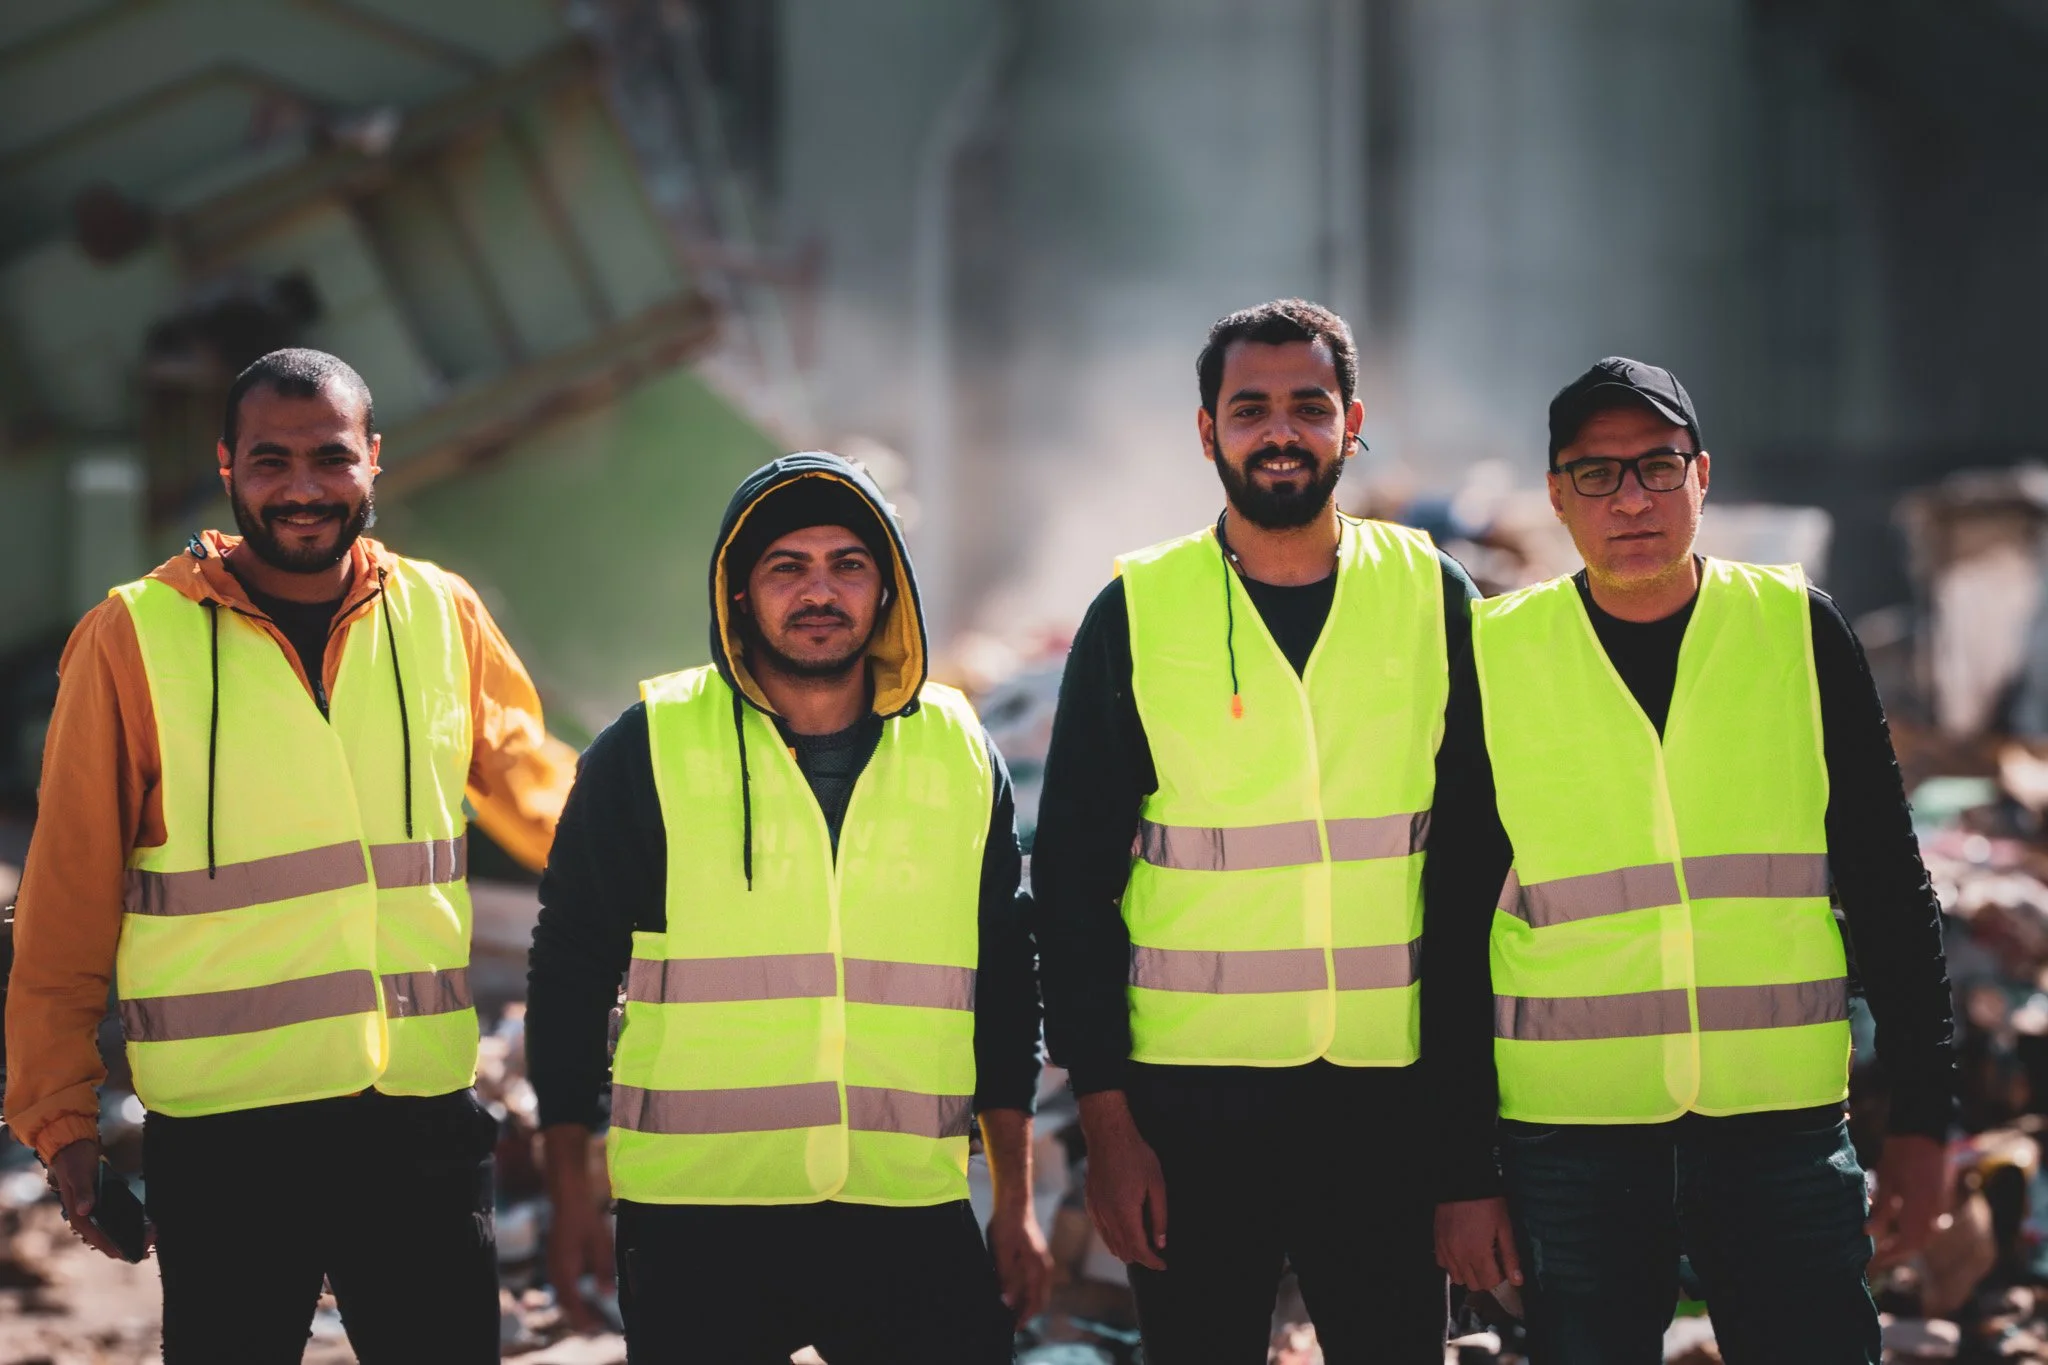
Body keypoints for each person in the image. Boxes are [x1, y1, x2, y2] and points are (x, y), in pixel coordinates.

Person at [3, 348, 574, 1362]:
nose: (303, 488)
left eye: (331, 458)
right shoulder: (133, 638)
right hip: (231, 1143)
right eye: (272, 460)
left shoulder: (442, 615)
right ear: (226, 463)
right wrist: (61, 1121)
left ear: (374, 461)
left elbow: (542, 797)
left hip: (415, 1125)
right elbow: (66, 898)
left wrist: (685, 858)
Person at [1427, 357, 1956, 1364]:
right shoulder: (1495, 656)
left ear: (1699, 478)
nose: (1630, 499)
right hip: (1570, 1144)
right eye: (1596, 475)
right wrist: (1462, 1171)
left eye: (1657, 468)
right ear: (1555, 497)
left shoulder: (1794, 632)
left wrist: (1926, 1122)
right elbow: (1447, 931)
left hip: (1780, 1132)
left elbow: (1891, 890)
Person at [528, 452, 1050, 1364]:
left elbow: (1003, 983)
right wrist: (571, 1184)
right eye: (787, 567)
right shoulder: (647, 747)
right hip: (699, 1221)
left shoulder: (961, 751)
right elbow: (569, 966)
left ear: (887, 589)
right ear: (739, 593)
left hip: (903, 1210)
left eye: (849, 564)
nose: (821, 591)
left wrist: (1016, 1201)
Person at [1034, 299, 1467, 1362]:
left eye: (1308, 407)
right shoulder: (1136, 611)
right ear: (1206, 429)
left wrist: (1469, 1156)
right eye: (1250, 409)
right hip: (1189, 1121)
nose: (1281, 432)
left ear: (1349, 422)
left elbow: (1469, 881)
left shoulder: (1430, 597)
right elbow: (1072, 887)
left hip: (1384, 1110)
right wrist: (1109, 1128)